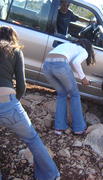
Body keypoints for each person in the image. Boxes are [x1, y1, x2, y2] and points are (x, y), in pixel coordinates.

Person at [0, 26, 60, 180]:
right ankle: (50, 175)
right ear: (12, 38)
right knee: (32, 139)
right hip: (8, 103)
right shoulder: (15, 51)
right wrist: (14, 104)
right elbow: (22, 86)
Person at [43, 39, 95, 135]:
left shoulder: (67, 45)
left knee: (62, 94)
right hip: (60, 65)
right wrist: (83, 79)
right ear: (88, 48)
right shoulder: (83, 51)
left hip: (46, 66)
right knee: (74, 95)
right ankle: (79, 128)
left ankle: (59, 128)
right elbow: (76, 62)